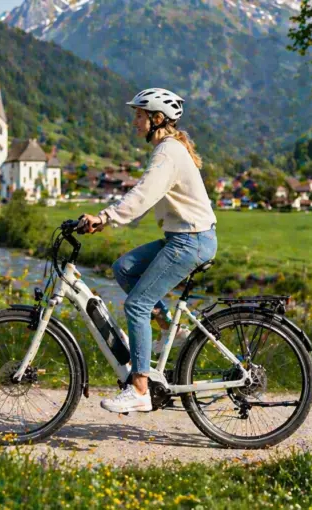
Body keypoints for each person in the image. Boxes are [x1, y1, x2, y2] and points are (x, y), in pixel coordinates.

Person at [79, 88, 218, 413]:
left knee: (137, 305)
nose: (134, 122)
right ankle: (171, 328)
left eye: (139, 116)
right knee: (124, 268)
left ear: (157, 119)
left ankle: (140, 388)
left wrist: (105, 217)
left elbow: (143, 194)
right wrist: (107, 219)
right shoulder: (167, 150)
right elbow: (147, 197)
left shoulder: (168, 152)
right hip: (183, 238)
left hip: (191, 241)